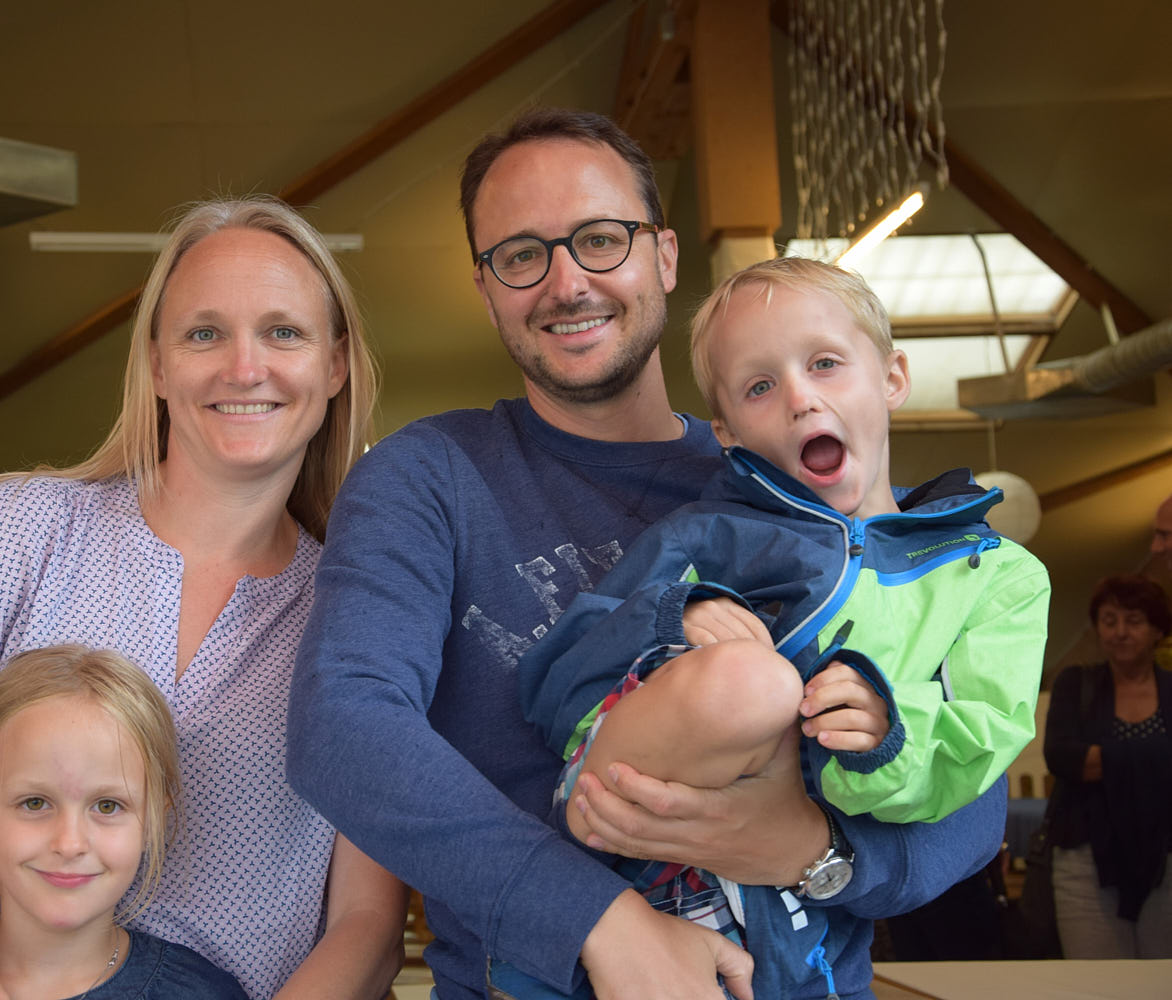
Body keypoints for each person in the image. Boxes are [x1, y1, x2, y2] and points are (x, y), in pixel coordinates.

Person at [287, 106, 1008, 1000]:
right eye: (521, 254)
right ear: (486, 287)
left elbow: (976, 782)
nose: (566, 283)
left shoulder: (794, 477)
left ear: (664, 256)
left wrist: (812, 850)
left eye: (601, 239)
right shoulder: (431, 476)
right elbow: (342, 727)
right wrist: (600, 922)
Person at [0, 195, 408, 1000]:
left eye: (283, 332)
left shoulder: (364, 610)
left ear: (335, 365)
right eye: (204, 333)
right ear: (157, 364)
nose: (244, 367)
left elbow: (366, 924)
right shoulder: (20, 532)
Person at [508, 257, 1047, 997]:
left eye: (825, 364)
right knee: (751, 682)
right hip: (620, 842)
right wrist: (670, 617)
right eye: (760, 386)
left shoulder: (994, 576)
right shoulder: (702, 534)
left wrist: (889, 734)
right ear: (727, 431)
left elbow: (984, 738)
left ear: (892, 376)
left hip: (797, 930)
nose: (800, 398)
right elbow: (557, 680)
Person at [0, 645, 249, 999]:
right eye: (35, 803)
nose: (69, 843)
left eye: (108, 806)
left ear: (151, 821)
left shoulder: (203, 994)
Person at [1044, 574, 1172, 959]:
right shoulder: (1076, 684)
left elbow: (1087, 762)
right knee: (1097, 981)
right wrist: (1158, 758)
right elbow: (1063, 758)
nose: (1120, 632)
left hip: (1166, 859)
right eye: (1109, 620)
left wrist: (1106, 758)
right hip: (1085, 861)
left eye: (1134, 621)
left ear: (1157, 629)